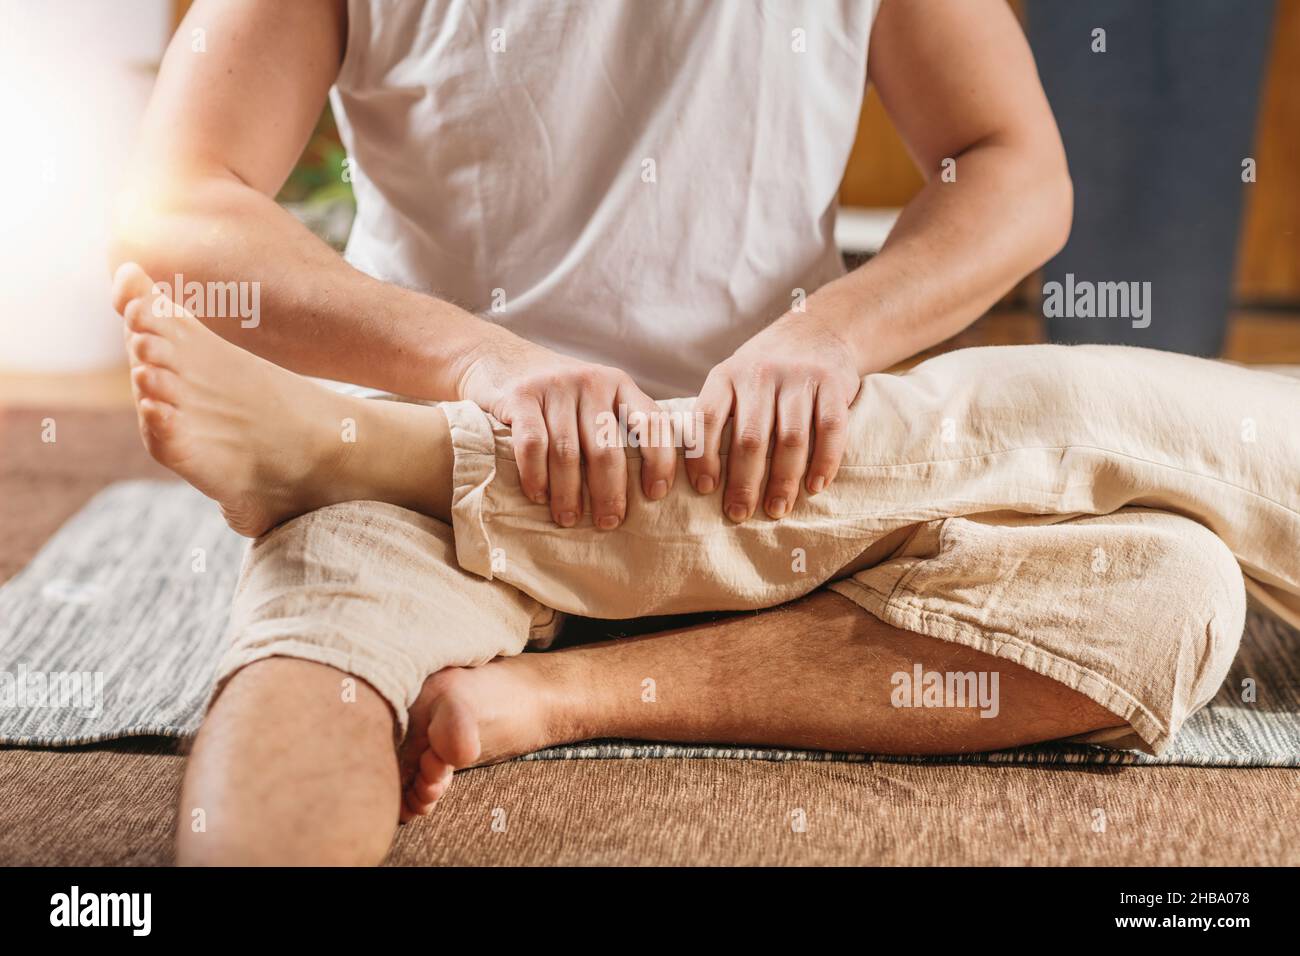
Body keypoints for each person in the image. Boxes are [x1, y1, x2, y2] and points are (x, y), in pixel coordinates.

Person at [108, 0, 1272, 866]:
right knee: (311, 680)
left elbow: (1010, 162)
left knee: (1172, 597)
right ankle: (422, 466)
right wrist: (478, 363)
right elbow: (180, 197)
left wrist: (833, 334)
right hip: (433, 512)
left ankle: (558, 680)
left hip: (784, 491)